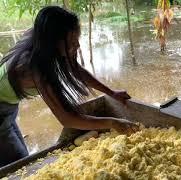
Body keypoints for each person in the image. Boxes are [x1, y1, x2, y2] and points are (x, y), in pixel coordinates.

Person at [0, 6, 138, 167]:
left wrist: (111, 93)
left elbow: (76, 70)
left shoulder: (44, 42)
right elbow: (67, 118)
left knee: (20, 157)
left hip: (8, 105)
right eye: (72, 42)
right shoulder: (35, 68)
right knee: (20, 165)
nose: (78, 45)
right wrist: (113, 123)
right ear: (54, 41)